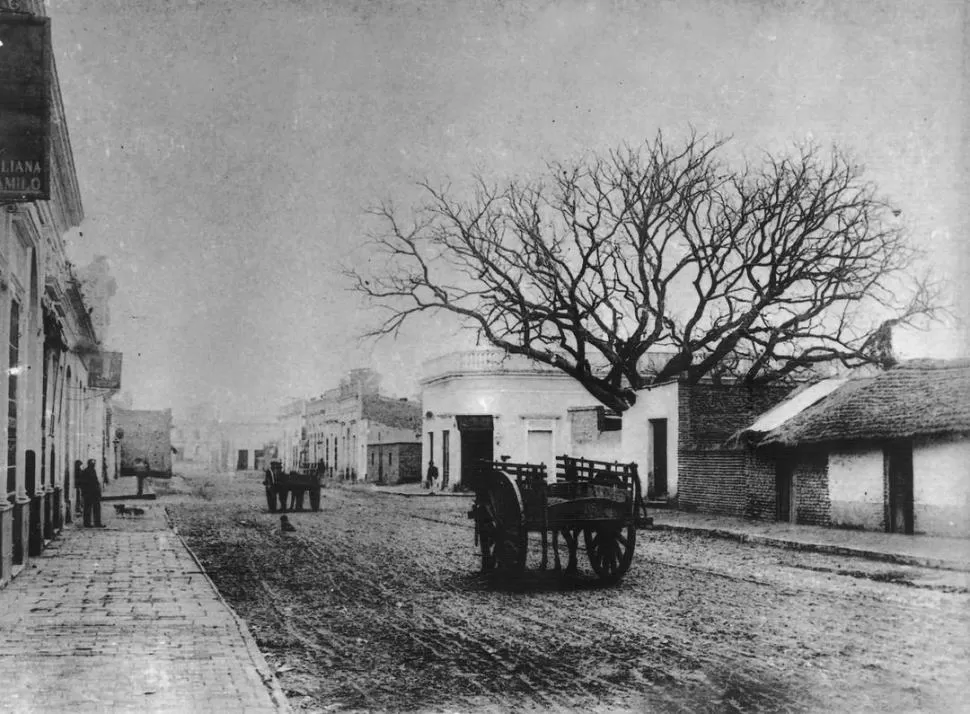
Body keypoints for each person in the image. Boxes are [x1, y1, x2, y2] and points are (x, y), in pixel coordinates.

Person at [78, 458, 105, 528]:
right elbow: (83, 483)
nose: (93, 465)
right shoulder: (85, 472)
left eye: (94, 464)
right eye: (92, 464)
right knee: (88, 508)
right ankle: (87, 523)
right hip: (89, 493)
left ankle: (97, 523)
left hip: (94, 493)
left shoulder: (93, 471)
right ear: (89, 464)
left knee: (96, 508)